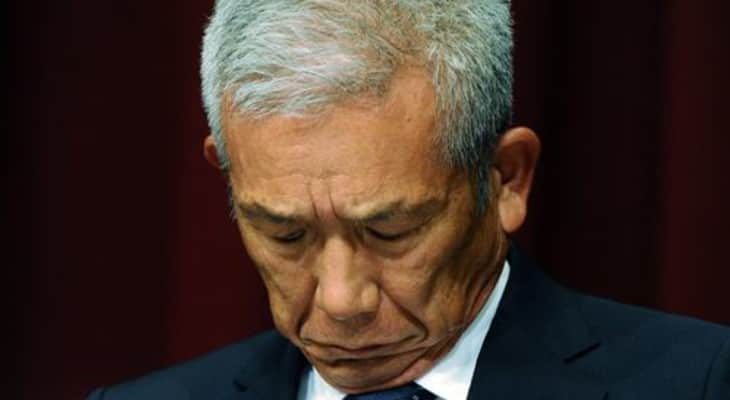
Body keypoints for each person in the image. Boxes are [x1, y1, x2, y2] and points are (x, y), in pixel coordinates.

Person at [88, 1, 730, 399]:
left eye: (390, 232)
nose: (341, 302)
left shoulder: (699, 384)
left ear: (505, 178)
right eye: (287, 235)